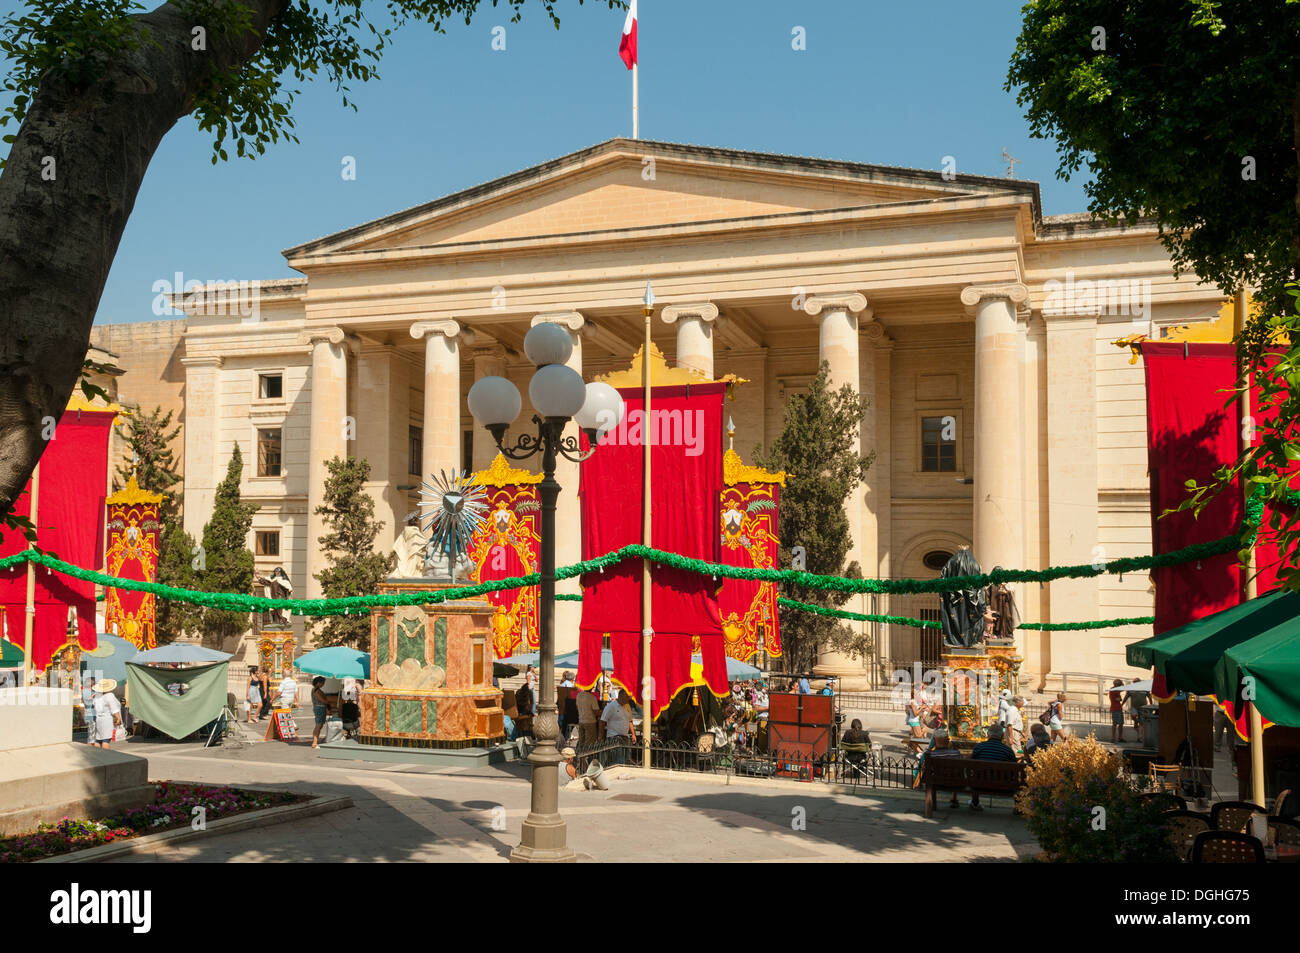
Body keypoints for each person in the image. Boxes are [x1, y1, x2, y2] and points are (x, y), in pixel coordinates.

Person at [967, 723, 1016, 810]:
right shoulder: (1008, 750)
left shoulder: (979, 747)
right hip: (1003, 784)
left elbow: (971, 764)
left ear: (988, 735)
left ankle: (975, 802)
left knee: (976, 775)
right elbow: (1014, 769)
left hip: (980, 783)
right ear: (1001, 736)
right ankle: (1018, 807)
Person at [600, 688, 637, 764]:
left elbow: (630, 721)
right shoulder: (611, 706)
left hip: (625, 737)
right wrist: (601, 736)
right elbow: (602, 721)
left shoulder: (627, 706)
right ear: (621, 696)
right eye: (627, 697)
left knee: (626, 759)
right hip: (614, 737)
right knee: (618, 761)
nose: (628, 699)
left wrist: (633, 734)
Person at [90, 678, 122, 749]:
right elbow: (114, 708)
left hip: (98, 719)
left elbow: (93, 706)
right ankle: (106, 757)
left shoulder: (97, 696)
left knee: (98, 739)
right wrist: (118, 718)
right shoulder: (110, 695)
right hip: (106, 719)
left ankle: (97, 756)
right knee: (106, 740)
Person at [576, 686, 601, 750]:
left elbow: (577, 707)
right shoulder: (592, 698)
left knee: (581, 742)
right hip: (590, 722)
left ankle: (581, 757)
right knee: (589, 744)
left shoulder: (578, 695)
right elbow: (596, 712)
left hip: (581, 721)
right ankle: (586, 758)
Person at [310, 676, 329, 749]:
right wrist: (327, 702)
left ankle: (315, 740)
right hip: (319, 707)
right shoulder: (317, 690)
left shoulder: (314, 689)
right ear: (318, 683)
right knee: (318, 725)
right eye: (322, 683)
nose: (323, 684)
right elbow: (322, 700)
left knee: (319, 725)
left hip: (318, 707)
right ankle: (314, 742)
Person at [1108, 678, 1126, 743]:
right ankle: (1113, 738)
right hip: (1115, 709)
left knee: (1121, 723)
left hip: (1118, 708)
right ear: (1117, 685)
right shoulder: (1113, 690)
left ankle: (1120, 737)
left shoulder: (1115, 690)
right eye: (1120, 684)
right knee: (1115, 723)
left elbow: (1120, 697)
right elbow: (1119, 699)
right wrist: (1123, 685)